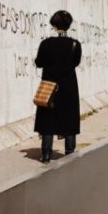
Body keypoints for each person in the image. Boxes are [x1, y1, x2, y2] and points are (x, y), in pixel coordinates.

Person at [35, 10, 83, 163]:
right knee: (69, 118)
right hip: (68, 87)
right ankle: (69, 152)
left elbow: (39, 63)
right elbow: (76, 63)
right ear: (69, 25)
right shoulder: (75, 44)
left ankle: (46, 154)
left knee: (47, 119)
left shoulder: (45, 43)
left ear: (54, 25)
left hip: (49, 87)